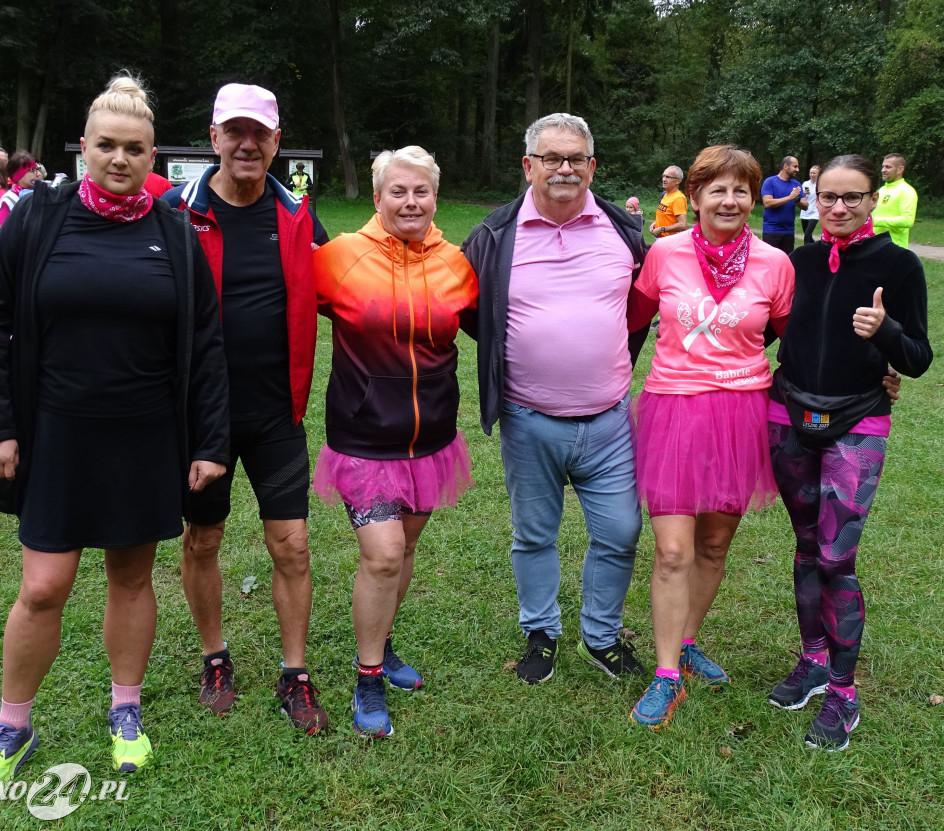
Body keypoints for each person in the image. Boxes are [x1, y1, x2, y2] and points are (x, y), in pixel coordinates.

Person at [0, 74, 229, 790]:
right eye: (106, 145)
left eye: (134, 148)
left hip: (145, 435)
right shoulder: (38, 217)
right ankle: (14, 723)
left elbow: (204, 343)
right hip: (55, 433)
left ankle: (126, 709)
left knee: (132, 576)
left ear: (153, 157)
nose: (119, 159)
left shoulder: (175, 230)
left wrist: (208, 441)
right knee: (44, 586)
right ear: (83, 147)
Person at [163, 83, 331, 732]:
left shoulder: (297, 214)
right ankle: (214, 655)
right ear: (213, 138)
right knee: (201, 537)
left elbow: (344, 287)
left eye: (259, 132)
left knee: (291, 545)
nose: (247, 143)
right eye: (234, 131)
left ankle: (295, 671)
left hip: (274, 414)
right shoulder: (174, 213)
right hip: (199, 417)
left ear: (276, 142)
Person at [463, 113, 648, 686]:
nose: (564, 168)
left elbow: (641, 309)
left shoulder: (624, 232)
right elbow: (473, 315)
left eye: (575, 159)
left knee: (620, 533)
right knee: (535, 535)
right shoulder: (492, 236)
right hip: (529, 419)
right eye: (552, 158)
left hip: (610, 420)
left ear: (592, 167)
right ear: (529, 166)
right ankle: (540, 632)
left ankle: (601, 636)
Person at [626, 145, 794, 729]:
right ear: (693, 196)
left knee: (715, 546)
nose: (729, 199)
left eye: (741, 189)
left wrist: (876, 372)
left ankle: (690, 639)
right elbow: (631, 324)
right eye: (716, 189)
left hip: (743, 412)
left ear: (754, 198)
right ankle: (667, 674)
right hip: (673, 410)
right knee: (673, 549)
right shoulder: (663, 254)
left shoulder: (776, 263)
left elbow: (794, 339)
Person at [767, 154, 931, 751]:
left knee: (838, 557)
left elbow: (916, 359)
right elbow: (758, 327)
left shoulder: (899, 265)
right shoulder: (798, 261)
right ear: (814, 197)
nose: (839, 208)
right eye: (828, 197)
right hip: (786, 416)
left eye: (852, 197)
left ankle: (843, 691)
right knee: (806, 546)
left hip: (857, 426)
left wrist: (884, 330)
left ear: (871, 200)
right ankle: (813, 662)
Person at [312, 146, 477, 737]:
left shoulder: (457, 262)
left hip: (431, 438)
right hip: (362, 437)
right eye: (398, 192)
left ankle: (382, 643)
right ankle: (368, 676)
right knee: (381, 555)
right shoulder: (337, 259)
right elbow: (285, 316)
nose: (411, 202)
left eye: (422, 192)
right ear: (377, 197)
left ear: (435, 196)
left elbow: (498, 327)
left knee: (403, 552)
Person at [871, 153, 917, 248]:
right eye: (883, 166)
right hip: (876, 244)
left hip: (894, 247)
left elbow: (908, 220)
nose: (883, 170)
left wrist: (876, 221)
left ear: (900, 169)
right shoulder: (882, 190)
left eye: (888, 167)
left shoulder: (906, 191)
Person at [0, 150, 39, 238]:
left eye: (37, 169)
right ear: (19, 176)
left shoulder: (40, 194)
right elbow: (7, 238)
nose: (38, 174)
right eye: (32, 171)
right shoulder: (7, 202)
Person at [761, 156, 806, 253]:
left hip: (789, 231)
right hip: (771, 230)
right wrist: (790, 197)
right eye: (795, 166)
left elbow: (805, 206)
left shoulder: (796, 184)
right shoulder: (770, 182)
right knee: (770, 262)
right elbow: (767, 203)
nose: (797, 170)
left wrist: (797, 199)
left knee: (787, 262)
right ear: (786, 166)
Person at [650, 165, 688, 238]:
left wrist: (662, 229)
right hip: (660, 239)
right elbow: (666, 216)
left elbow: (682, 224)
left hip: (670, 242)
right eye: (663, 176)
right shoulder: (665, 194)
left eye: (668, 177)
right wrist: (655, 224)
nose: (664, 179)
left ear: (678, 181)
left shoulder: (678, 198)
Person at [800, 165, 820, 245]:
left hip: (815, 212)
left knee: (807, 234)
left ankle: (805, 252)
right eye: (811, 173)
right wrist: (803, 193)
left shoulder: (820, 185)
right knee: (807, 234)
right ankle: (815, 247)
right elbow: (800, 196)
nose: (812, 175)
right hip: (805, 211)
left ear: (818, 174)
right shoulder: (805, 183)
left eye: (814, 173)